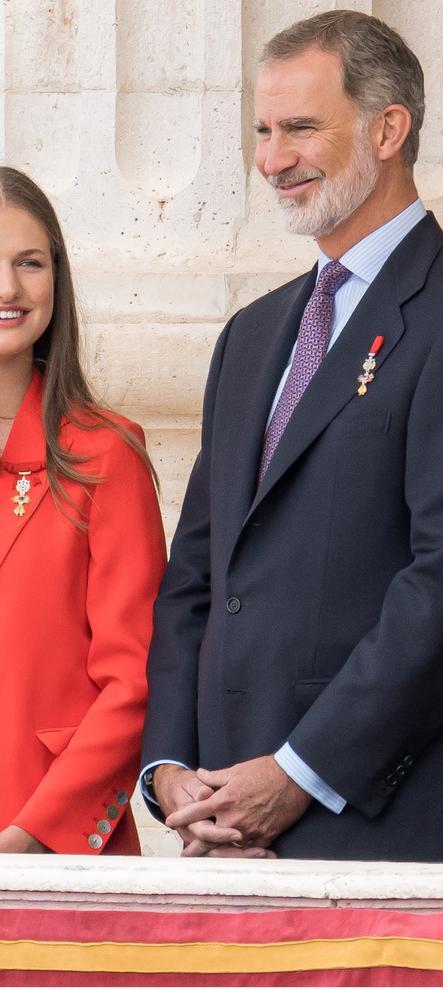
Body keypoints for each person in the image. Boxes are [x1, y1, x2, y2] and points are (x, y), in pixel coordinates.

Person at [140, 10, 443, 862]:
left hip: (376, 826)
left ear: (388, 129)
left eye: (299, 128)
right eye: (262, 130)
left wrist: (296, 774)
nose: (271, 158)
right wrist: (173, 767)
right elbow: (197, 575)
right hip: (219, 828)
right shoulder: (251, 334)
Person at [0, 167, 165, 855]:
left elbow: (135, 679)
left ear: (56, 281)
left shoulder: (106, 452)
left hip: (52, 849)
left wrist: (30, 837)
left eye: (28, 263)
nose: (8, 289)